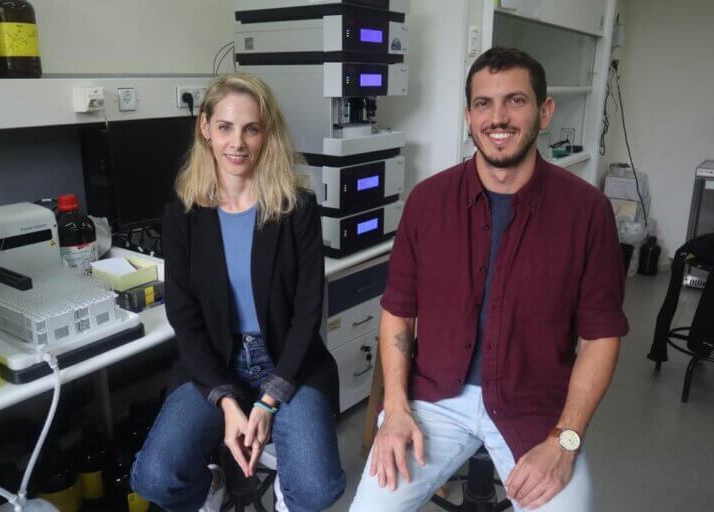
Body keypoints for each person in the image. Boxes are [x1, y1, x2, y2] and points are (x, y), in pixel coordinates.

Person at [350, 47, 629, 511]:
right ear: (469, 116)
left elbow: (601, 337)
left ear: (544, 111)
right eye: (483, 103)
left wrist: (565, 440)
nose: (498, 118)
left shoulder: (587, 212)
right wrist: (395, 409)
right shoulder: (427, 202)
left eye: (515, 101)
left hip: (536, 410)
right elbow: (398, 311)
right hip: (433, 401)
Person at [130, 73, 346, 512]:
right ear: (205, 128)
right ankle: (214, 485)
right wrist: (226, 401)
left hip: (288, 360)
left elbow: (308, 313)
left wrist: (269, 401)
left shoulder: (296, 209)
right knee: (155, 479)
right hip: (215, 362)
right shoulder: (183, 215)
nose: (238, 143)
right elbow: (184, 318)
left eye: (251, 129)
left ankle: (287, 494)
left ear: (267, 134)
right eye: (225, 127)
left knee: (316, 490)